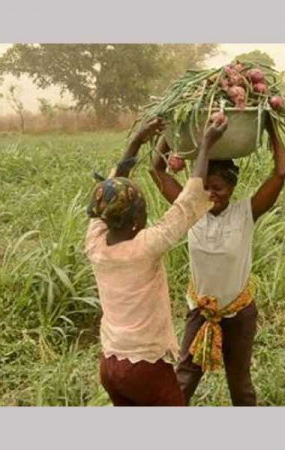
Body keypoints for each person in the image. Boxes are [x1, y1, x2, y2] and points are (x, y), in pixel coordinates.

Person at [85, 115, 228, 406]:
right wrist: (205, 147)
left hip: (109, 363)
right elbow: (187, 205)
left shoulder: (95, 243)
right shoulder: (145, 248)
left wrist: (137, 141)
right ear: (138, 219)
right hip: (144, 366)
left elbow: (110, 189)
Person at [149, 118, 285, 406]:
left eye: (219, 188)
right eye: (206, 189)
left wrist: (271, 126)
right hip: (200, 311)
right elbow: (156, 170)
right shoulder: (191, 211)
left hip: (239, 315)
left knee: (240, 387)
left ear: (232, 187)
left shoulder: (245, 214)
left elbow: (279, 173)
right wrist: (171, 129)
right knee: (183, 381)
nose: (212, 195)